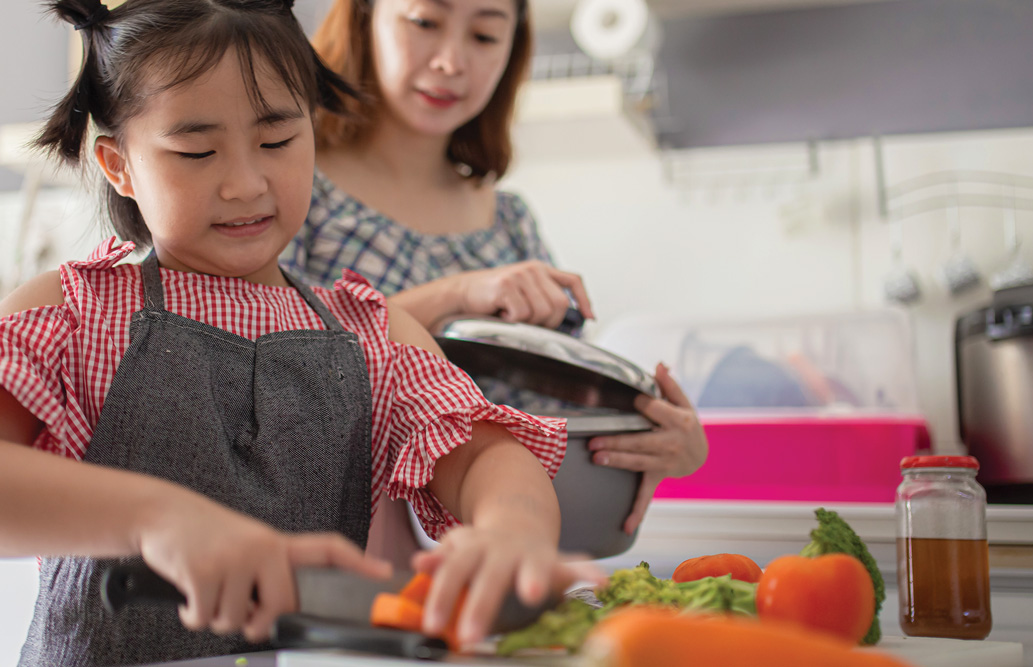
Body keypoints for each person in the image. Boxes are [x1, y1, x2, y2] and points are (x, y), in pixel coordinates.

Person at [0, 1, 597, 664]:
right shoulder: (69, 310)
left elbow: (487, 454)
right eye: (196, 150)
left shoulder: (375, 335)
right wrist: (158, 517)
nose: (245, 183)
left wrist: (513, 527)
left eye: (278, 141)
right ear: (120, 166)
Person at [280, 0, 709, 537]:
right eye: (424, 22)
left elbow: (546, 413)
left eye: (484, 36)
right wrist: (456, 294)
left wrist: (662, 441)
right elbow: (271, 366)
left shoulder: (510, 221)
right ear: (365, 19)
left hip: (504, 547)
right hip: (348, 541)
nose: (451, 61)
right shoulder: (292, 184)